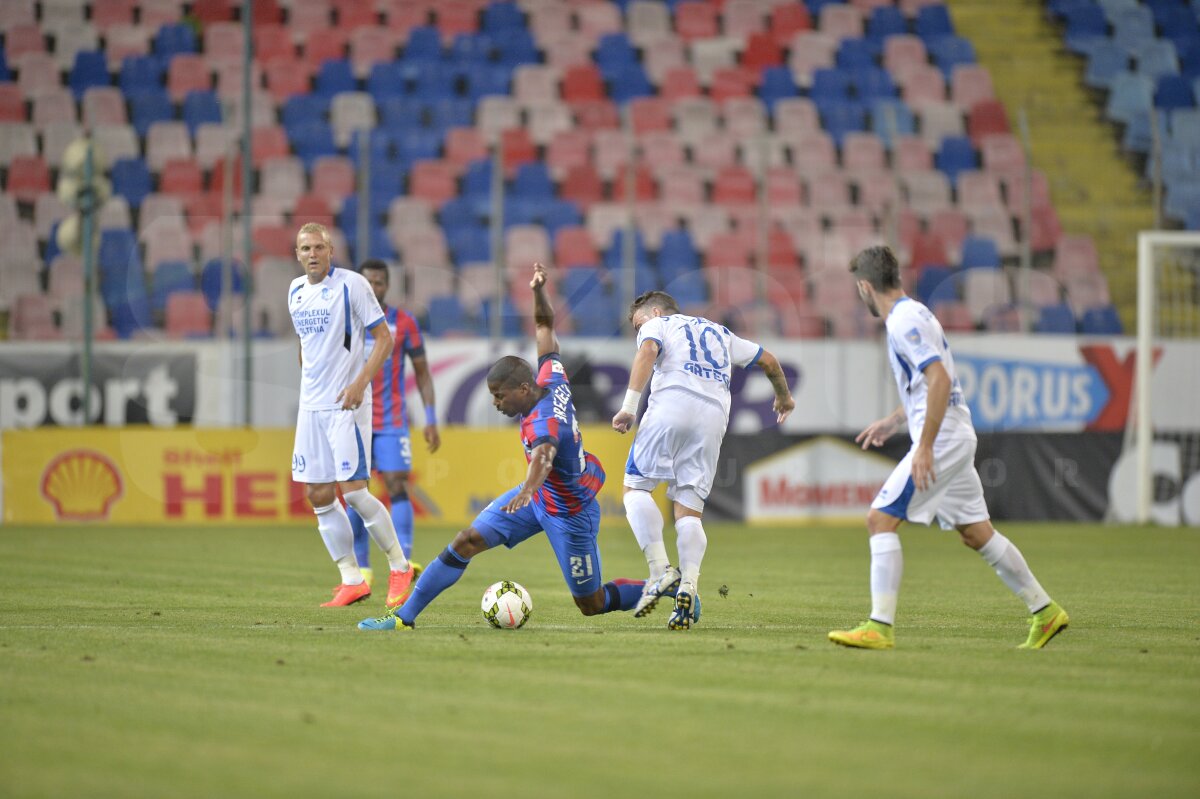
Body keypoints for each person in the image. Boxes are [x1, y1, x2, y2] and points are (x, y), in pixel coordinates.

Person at [358, 262, 647, 632]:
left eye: (499, 396)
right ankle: (402, 617)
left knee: (591, 604)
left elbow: (543, 457)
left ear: (523, 391)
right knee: (466, 541)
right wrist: (538, 291)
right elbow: (545, 327)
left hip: (568, 511)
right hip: (539, 499)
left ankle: (662, 587)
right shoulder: (551, 376)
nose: (496, 403)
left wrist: (527, 488)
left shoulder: (544, 423)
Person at [828, 245, 1069, 650]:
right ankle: (1045, 612)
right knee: (976, 533)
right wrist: (896, 418)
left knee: (879, 519)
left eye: (859, 288)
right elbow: (932, 383)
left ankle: (879, 626)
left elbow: (938, 379)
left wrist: (923, 446)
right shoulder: (917, 313)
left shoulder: (902, 322)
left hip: (942, 438)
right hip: (954, 431)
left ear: (866, 287)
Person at [612, 292, 795, 630]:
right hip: (712, 418)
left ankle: (660, 571)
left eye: (639, 323)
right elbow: (768, 360)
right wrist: (784, 397)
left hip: (672, 403)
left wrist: (628, 406)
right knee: (689, 511)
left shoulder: (659, 325)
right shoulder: (721, 334)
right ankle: (689, 585)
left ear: (653, 312)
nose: (639, 330)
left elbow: (648, 352)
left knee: (635, 489)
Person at [288, 222, 417, 608]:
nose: (312, 254)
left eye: (318, 247)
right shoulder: (295, 292)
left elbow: (385, 338)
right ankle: (351, 578)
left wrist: (360, 382)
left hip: (348, 403)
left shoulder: (352, 285)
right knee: (317, 493)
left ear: (331, 251)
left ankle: (399, 565)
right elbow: (305, 347)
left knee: (356, 492)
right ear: (297, 254)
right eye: (305, 248)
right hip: (311, 407)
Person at [345, 259, 441, 587]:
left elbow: (423, 373)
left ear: (387, 286)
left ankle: (406, 558)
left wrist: (430, 418)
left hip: (391, 419)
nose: (374, 288)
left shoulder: (404, 323)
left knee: (398, 485)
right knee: (355, 490)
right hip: (354, 418)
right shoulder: (347, 321)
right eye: (368, 282)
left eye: (380, 282)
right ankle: (362, 568)